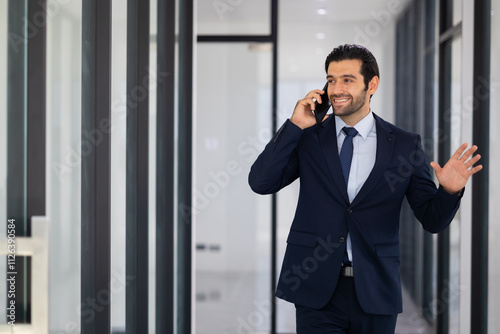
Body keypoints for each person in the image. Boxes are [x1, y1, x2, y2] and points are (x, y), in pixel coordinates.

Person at [248, 44, 482, 334]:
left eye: (347, 79)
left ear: (372, 84)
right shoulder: (309, 138)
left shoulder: (404, 145)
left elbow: (432, 220)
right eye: (331, 80)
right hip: (315, 288)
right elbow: (261, 182)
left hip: (375, 290)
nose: (336, 89)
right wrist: (295, 125)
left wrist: (448, 191)